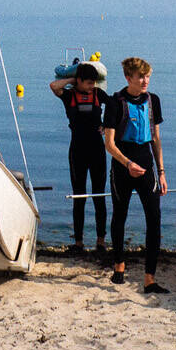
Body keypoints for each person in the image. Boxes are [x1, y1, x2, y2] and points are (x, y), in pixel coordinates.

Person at [101, 56, 167, 293]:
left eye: (147, 76)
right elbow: (109, 143)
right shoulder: (115, 102)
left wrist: (161, 171)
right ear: (129, 78)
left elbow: (156, 139)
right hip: (122, 164)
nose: (145, 80)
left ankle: (150, 277)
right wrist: (127, 163)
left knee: (154, 218)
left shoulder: (153, 101)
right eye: (140, 76)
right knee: (120, 215)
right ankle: (119, 264)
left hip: (146, 164)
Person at [49, 61, 109, 254]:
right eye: (89, 83)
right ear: (80, 81)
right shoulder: (69, 95)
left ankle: (100, 241)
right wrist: (73, 79)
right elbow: (53, 86)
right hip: (77, 151)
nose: (93, 86)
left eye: (94, 82)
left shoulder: (99, 94)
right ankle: (79, 243)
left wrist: (107, 126)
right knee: (79, 196)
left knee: (99, 196)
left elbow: (117, 107)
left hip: (97, 150)